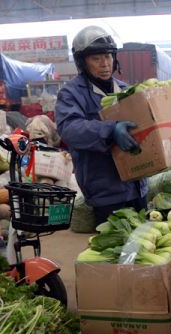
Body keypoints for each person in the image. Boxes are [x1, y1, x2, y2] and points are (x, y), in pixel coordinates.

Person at [55, 26, 148, 225]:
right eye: (96, 59)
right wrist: (110, 129)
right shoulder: (71, 93)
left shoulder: (126, 90)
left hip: (138, 185)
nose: (105, 64)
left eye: (108, 57)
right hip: (105, 190)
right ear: (82, 62)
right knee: (115, 251)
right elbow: (69, 129)